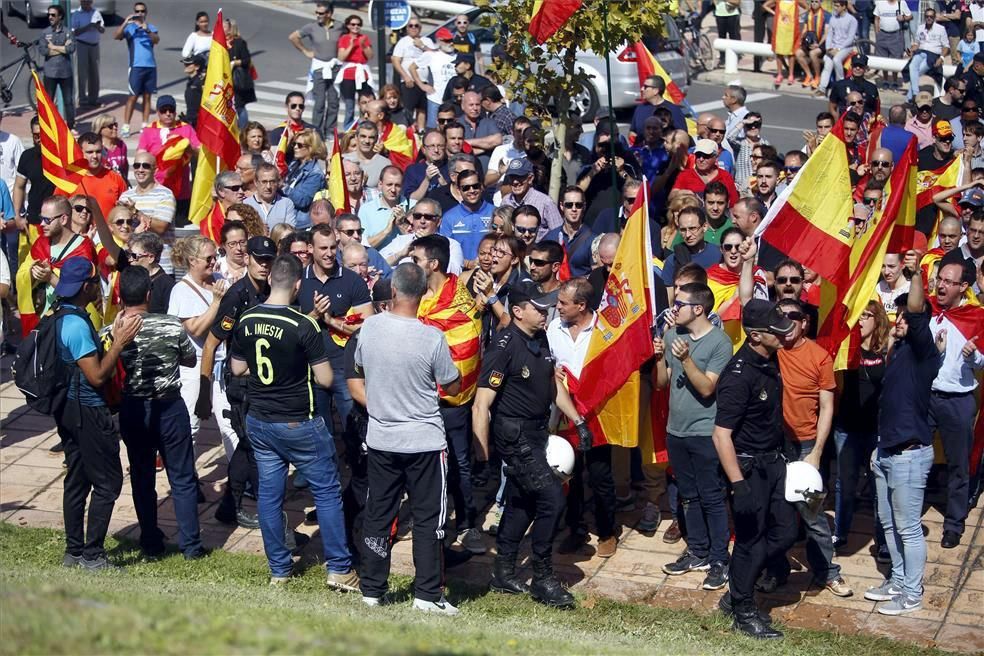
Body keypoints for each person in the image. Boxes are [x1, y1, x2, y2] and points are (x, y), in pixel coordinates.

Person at [230, 254, 359, 590]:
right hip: (299, 421)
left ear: (270, 278)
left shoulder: (246, 317)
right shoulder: (303, 324)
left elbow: (237, 369)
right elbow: (327, 378)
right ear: (298, 284)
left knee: (270, 497)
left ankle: (279, 570)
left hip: (260, 419)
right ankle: (340, 569)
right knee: (328, 493)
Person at [473, 283, 591, 609]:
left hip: (540, 432)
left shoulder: (541, 337)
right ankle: (542, 577)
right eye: (538, 309)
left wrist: (578, 421)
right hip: (514, 435)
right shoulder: (504, 346)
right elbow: (481, 405)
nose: (546, 313)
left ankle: (503, 571)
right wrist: (482, 457)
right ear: (518, 311)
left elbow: (554, 382)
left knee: (522, 501)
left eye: (547, 308)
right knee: (552, 498)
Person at [354, 262, 461, 613]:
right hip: (424, 442)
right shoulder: (431, 337)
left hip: (383, 438)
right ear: (424, 294)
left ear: (394, 292)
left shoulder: (369, 328)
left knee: (379, 513)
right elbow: (452, 382)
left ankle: (371, 589)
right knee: (430, 519)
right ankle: (427, 595)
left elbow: (359, 366)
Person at [103, 266, 205, 560]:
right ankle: (191, 547)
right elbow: (188, 359)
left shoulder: (113, 330)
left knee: (142, 476)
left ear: (120, 295)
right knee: (183, 477)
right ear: (149, 293)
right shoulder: (172, 326)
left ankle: (150, 542)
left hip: (133, 408)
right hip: (170, 406)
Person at [711, 299, 797, 639]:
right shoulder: (738, 376)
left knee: (787, 531)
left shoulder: (770, 360)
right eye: (777, 331)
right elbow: (721, 436)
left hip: (774, 462)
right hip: (748, 469)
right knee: (751, 541)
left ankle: (736, 589)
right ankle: (744, 612)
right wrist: (739, 485)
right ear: (757, 336)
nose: (784, 335)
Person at [48, 257, 141, 570]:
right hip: (87, 411)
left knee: (77, 480)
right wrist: (119, 342)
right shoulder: (75, 325)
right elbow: (98, 375)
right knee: (107, 483)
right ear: (85, 286)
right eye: (94, 280)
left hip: (68, 409)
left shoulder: (62, 312)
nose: (98, 284)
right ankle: (92, 555)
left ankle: (74, 552)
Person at [865, 268, 941, 615]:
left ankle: (912, 593)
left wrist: (915, 274)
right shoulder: (897, 351)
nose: (898, 320)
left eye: (903, 317)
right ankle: (897, 579)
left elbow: (915, 308)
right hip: (886, 452)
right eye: (895, 315)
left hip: (910, 455)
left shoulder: (922, 351)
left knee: (908, 528)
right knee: (888, 522)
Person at [770, 298, 853, 598]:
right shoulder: (770, 352)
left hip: (806, 445)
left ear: (805, 322)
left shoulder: (819, 356)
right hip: (776, 446)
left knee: (813, 515)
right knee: (775, 513)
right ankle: (776, 571)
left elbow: (827, 407)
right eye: (780, 315)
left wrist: (817, 451)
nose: (787, 321)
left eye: (793, 316)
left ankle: (827, 573)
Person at [653, 281, 733, 588]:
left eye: (679, 305)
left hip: (704, 432)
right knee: (688, 496)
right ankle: (697, 551)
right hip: (676, 430)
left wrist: (686, 359)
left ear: (697, 309)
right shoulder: (673, 334)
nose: (674, 310)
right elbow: (662, 383)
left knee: (712, 497)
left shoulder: (720, 343)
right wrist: (661, 356)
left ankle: (718, 559)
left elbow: (707, 387)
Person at [412, 235, 485, 554]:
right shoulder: (411, 297)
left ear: (434, 264)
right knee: (419, 464)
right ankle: (428, 521)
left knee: (459, 464)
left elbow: (466, 350)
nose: (411, 265)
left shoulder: (460, 303)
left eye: (416, 260)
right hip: (416, 401)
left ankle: (468, 523)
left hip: (450, 404)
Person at [547, 278, 619, 559]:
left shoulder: (605, 329)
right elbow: (548, 363)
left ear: (582, 305)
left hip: (599, 414)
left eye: (564, 303)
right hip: (566, 414)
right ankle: (575, 529)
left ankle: (607, 531)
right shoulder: (554, 328)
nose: (558, 307)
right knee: (569, 476)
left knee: (601, 476)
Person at [298, 225, 375, 448]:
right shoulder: (299, 281)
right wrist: (314, 315)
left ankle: (360, 476)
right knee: (319, 431)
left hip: (345, 367)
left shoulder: (352, 281)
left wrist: (331, 320)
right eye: (323, 248)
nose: (329, 253)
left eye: (333, 247)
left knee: (354, 427)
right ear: (310, 248)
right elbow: (290, 326)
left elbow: (366, 327)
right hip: (311, 367)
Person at [928, 260, 984, 549]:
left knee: (958, 465)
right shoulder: (928, 309)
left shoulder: (976, 317)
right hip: (926, 397)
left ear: (964, 287)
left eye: (949, 282)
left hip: (958, 400)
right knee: (914, 455)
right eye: (940, 279)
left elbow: (983, 360)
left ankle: (954, 523)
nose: (941, 285)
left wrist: (973, 356)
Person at [832, 300, 889, 558]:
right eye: (860, 315)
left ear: (877, 320)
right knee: (845, 482)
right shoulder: (846, 349)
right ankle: (840, 532)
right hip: (847, 426)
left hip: (877, 428)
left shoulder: (886, 350)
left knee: (880, 486)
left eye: (868, 316)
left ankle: (883, 539)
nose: (862, 320)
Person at [288, 2, 343, 137]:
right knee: (319, 103)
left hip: (335, 67)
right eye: (317, 13)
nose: (318, 15)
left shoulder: (340, 26)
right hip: (319, 68)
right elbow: (293, 37)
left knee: (334, 101)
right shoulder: (311, 27)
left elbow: (349, 37)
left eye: (321, 13)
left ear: (329, 14)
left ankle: (330, 131)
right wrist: (306, 51)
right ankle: (317, 131)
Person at [119, 152, 176, 274]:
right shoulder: (126, 196)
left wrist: (135, 213)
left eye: (145, 166)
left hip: (160, 267)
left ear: (155, 170)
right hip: (134, 266)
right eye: (136, 165)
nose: (140, 169)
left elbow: (160, 227)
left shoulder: (165, 194)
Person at [114, 2, 160, 138]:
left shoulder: (151, 27)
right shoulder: (130, 28)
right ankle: (126, 126)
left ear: (146, 13)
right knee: (132, 97)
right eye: (137, 11)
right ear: (134, 12)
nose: (140, 13)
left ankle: (145, 125)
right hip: (136, 66)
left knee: (147, 96)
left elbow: (156, 40)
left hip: (150, 66)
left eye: (142, 11)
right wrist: (125, 22)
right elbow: (116, 36)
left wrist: (147, 30)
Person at [500, 158, 563, 241]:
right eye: (512, 177)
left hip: (538, 251)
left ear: (530, 178)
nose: (515, 182)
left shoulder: (545, 202)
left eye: (519, 177)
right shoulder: (506, 201)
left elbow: (558, 233)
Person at [391, 16, 434, 134]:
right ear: (407, 28)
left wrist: (422, 46)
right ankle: (407, 129)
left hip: (425, 80)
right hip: (409, 80)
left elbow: (435, 55)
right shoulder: (403, 42)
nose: (414, 28)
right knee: (408, 108)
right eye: (411, 26)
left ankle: (420, 130)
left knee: (422, 108)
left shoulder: (427, 41)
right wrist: (405, 76)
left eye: (416, 26)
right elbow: (395, 60)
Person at [440, 169, 494, 262]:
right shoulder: (449, 217)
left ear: (481, 186)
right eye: (466, 188)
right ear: (458, 190)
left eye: (475, 186)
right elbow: (445, 251)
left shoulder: (496, 213)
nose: (472, 190)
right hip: (460, 273)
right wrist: (467, 264)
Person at [410, 28, 459, 129]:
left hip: (453, 100)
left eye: (451, 40)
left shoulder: (458, 56)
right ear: (439, 41)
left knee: (453, 128)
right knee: (433, 129)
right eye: (447, 40)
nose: (450, 43)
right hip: (435, 99)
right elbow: (412, 67)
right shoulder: (431, 55)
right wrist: (422, 85)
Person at [544, 187, 595, 278]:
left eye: (578, 205)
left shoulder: (593, 240)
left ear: (584, 207)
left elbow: (596, 275)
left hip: (580, 290)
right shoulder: (550, 237)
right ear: (562, 206)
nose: (574, 209)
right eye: (569, 205)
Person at [39, 5, 76, 129]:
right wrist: (62, 48)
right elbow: (43, 51)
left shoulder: (67, 32)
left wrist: (53, 47)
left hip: (66, 73)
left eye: (53, 15)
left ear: (60, 16)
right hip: (50, 73)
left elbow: (71, 49)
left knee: (68, 102)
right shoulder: (45, 33)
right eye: (49, 15)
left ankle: (70, 126)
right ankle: (48, 127)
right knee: (49, 102)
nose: (50, 17)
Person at [284, 130, 327, 229]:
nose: (295, 147)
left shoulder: (315, 173)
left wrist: (283, 187)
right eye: (294, 144)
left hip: (300, 225)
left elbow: (303, 200)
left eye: (299, 145)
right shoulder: (295, 164)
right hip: (287, 218)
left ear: (311, 148)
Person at [906, 8, 950, 102]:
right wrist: (911, 50)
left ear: (934, 18)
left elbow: (946, 46)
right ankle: (914, 94)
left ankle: (910, 98)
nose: (929, 18)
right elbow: (917, 44)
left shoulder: (940, 29)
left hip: (933, 55)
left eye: (931, 16)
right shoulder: (920, 27)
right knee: (912, 66)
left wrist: (941, 58)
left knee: (917, 72)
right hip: (921, 52)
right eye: (927, 16)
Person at [337, 15, 373, 128]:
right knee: (350, 104)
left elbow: (370, 56)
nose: (355, 27)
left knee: (365, 102)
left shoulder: (364, 38)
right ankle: (348, 127)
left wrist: (363, 46)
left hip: (362, 73)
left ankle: (365, 125)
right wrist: (351, 46)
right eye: (353, 24)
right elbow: (341, 57)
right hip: (348, 74)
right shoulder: (344, 38)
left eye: (358, 24)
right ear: (348, 25)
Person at [71, 0, 104, 109]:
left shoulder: (96, 13)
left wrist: (97, 27)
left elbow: (102, 29)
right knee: (82, 73)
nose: (86, 3)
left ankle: (93, 99)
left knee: (94, 73)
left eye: (88, 1)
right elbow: (74, 32)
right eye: (84, 1)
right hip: (82, 45)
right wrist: (89, 26)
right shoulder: (76, 14)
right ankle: (82, 99)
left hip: (94, 45)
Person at [818, 0, 857, 93]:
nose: (835, 8)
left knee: (836, 60)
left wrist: (838, 49)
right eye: (834, 6)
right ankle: (822, 88)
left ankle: (841, 85)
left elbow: (850, 38)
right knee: (827, 62)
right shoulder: (833, 19)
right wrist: (828, 48)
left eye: (837, 6)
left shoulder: (852, 20)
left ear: (844, 7)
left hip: (846, 47)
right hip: (833, 47)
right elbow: (830, 35)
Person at [245, 163, 297, 232]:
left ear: (278, 182)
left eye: (272, 182)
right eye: (264, 182)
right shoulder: (246, 204)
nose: (268, 186)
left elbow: (289, 232)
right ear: (256, 182)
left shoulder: (286, 204)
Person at [225, 18, 256, 130]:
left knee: (239, 106)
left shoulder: (239, 42)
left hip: (236, 81)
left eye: (225, 27)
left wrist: (234, 63)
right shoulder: (222, 42)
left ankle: (243, 130)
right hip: (225, 79)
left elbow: (247, 60)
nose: (223, 29)